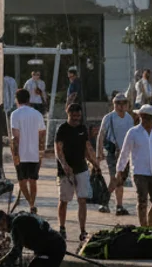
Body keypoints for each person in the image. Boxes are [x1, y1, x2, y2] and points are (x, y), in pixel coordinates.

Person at [113, 104, 152, 229]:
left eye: (150, 118)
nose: (147, 120)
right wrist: (119, 170)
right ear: (140, 117)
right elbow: (125, 152)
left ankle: (150, 227)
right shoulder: (133, 132)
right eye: (145, 117)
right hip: (139, 171)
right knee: (142, 201)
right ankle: (143, 227)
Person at [54, 103, 99, 243]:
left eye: (78, 116)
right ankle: (62, 227)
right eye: (73, 116)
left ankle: (82, 230)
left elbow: (87, 148)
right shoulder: (62, 129)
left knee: (82, 200)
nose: (76, 119)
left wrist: (95, 163)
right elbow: (58, 150)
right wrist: (65, 165)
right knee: (64, 200)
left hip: (81, 168)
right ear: (68, 114)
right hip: (65, 171)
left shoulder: (82, 128)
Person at [96, 94, 134, 216]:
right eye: (118, 103)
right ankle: (105, 201)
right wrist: (99, 152)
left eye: (123, 103)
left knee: (120, 180)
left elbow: (132, 136)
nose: (120, 106)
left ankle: (118, 205)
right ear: (114, 104)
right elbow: (101, 135)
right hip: (112, 152)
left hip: (125, 153)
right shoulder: (109, 117)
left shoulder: (129, 118)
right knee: (115, 178)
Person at [10, 88, 46, 214]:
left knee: (22, 181)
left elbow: (15, 136)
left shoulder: (15, 114)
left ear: (17, 100)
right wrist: (41, 153)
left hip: (22, 153)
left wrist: (15, 155)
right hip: (34, 153)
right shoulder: (37, 114)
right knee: (33, 180)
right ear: (29, 99)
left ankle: (30, 202)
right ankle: (32, 204)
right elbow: (42, 134)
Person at [0, 209, 66, 267]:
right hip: (50, 246)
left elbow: (16, 251)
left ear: (4, 218)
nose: (1, 228)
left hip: (54, 248)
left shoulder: (17, 224)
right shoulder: (15, 219)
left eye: (1, 224)